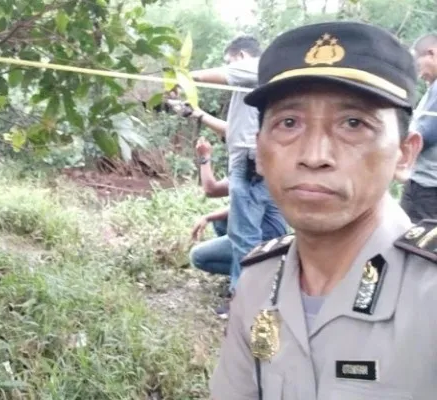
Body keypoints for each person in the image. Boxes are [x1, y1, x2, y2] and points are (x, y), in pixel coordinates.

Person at [209, 21, 437, 399]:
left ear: (405, 154)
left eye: (352, 123)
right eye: (288, 123)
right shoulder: (258, 282)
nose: (314, 156)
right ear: (259, 151)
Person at [171, 36, 288, 316]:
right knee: (241, 230)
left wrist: (184, 78)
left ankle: (244, 304)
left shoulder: (257, 67)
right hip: (256, 165)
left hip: (250, 166)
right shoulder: (252, 96)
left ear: (241, 55)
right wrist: (197, 114)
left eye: (229, 61)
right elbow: (233, 131)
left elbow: (223, 75)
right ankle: (264, 285)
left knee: (244, 237)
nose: (229, 67)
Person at [189, 137, 287, 290]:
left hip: (266, 238)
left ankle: (258, 276)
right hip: (258, 229)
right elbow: (212, 190)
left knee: (198, 256)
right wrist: (204, 157)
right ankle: (245, 271)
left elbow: (247, 207)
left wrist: (204, 156)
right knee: (220, 221)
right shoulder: (245, 169)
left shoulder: (264, 174)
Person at [400, 33, 437, 222]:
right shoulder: (432, 89)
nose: (419, 73)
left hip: (430, 189)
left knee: (424, 247)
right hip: (420, 182)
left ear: (431, 53)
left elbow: (426, 134)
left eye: (418, 64)